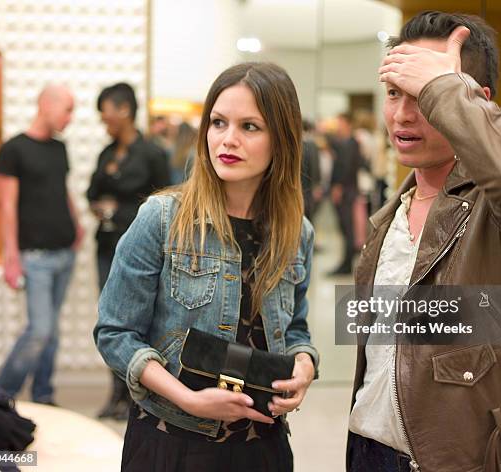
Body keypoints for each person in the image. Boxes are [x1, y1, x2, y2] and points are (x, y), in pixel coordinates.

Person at [347, 11, 501, 472]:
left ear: (475, 101)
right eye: (395, 93)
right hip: (370, 450)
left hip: (472, 458)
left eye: (425, 94)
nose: (402, 113)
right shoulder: (389, 218)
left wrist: (449, 89)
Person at [94, 62, 318, 471]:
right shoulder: (162, 218)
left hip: (262, 445)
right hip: (172, 440)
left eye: (250, 126)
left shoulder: (295, 232)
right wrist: (188, 398)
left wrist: (304, 365)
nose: (227, 140)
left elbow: (296, 327)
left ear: (281, 139)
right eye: (218, 122)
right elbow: (115, 332)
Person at [0, 84, 83, 405]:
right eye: (68, 109)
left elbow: (62, 189)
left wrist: (77, 224)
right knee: (40, 330)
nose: (71, 118)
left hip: (64, 253)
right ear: (47, 105)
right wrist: (11, 256)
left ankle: (43, 394)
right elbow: (7, 207)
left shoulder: (60, 148)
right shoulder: (13, 150)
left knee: (52, 332)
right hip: (36, 257)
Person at [87, 82, 170, 420]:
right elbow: (91, 192)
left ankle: (134, 392)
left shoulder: (151, 153)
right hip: (106, 247)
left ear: (124, 110)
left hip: (141, 253)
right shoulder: (107, 152)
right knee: (112, 323)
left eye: (105, 109)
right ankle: (115, 394)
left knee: (140, 324)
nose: (102, 117)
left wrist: (117, 209)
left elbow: (165, 200)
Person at [329, 113, 365, 276]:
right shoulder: (344, 143)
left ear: (348, 124)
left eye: (341, 122)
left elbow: (347, 167)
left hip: (347, 191)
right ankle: (346, 262)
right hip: (345, 190)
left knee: (348, 227)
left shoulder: (352, 143)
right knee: (344, 227)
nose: (338, 126)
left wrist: (338, 186)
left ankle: (347, 264)